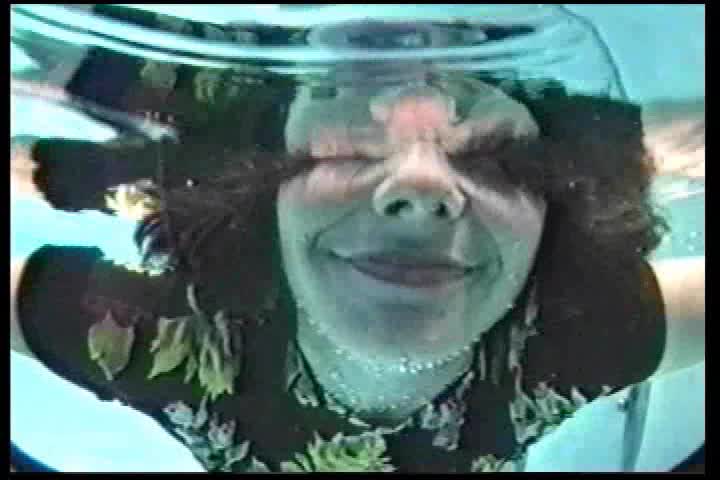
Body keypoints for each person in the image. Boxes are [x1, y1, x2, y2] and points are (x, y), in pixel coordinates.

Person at [10, 55, 704, 472]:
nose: (423, 185)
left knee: (96, 172)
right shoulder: (582, 337)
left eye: (491, 162)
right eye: (500, 161)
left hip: (241, 134)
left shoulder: (159, 350)